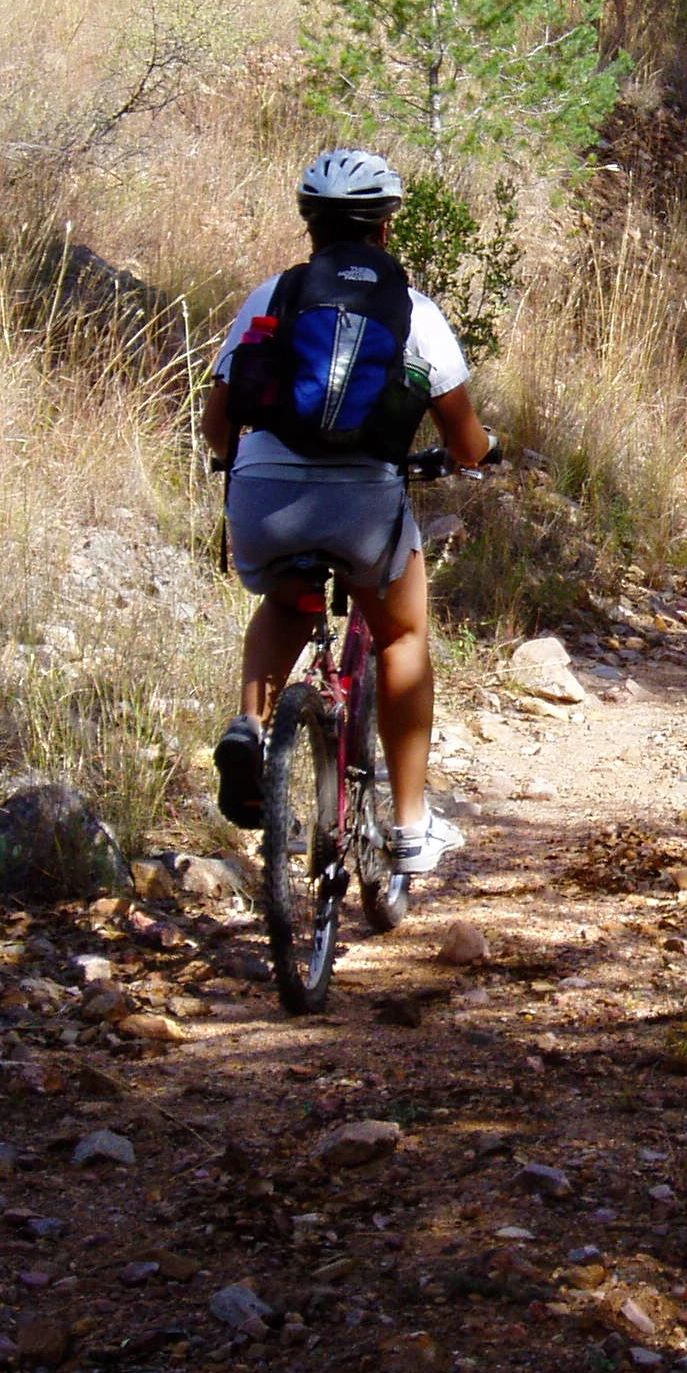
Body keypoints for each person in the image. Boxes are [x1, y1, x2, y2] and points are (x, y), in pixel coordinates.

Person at [200, 148, 493, 874]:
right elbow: (465, 438)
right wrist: (480, 457)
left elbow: (218, 416)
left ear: (311, 226)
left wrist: (236, 463)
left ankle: (251, 723)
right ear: (386, 230)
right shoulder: (413, 312)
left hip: (265, 496)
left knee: (285, 601)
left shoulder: (271, 296)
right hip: (362, 502)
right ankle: (410, 829)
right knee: (401, 635)